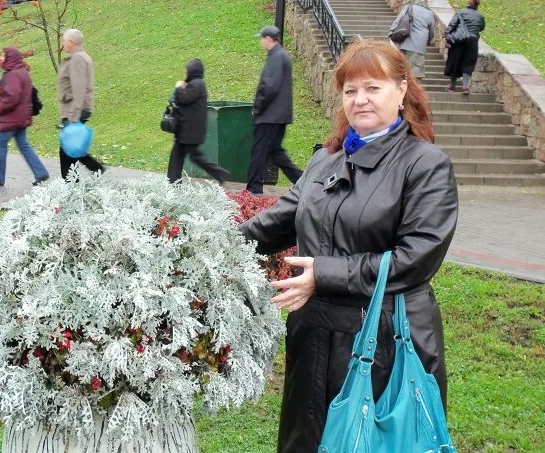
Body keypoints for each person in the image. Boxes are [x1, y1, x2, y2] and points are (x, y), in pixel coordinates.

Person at [240, 40, 458, 452]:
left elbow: (416, 259)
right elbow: (278, 221)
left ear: (401, 89)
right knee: (308, 440)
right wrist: (203, 248)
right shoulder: (327, 159)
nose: (360, 100)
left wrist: (322, 275)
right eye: (350, 90)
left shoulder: (425, 165)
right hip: (313, 339)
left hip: (385, 342)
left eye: (373, 88)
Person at [246, 25, 302, 195]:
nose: (261, 42)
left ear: (269, 39)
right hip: (277, 115)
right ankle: (301, 180)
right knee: (275, 151)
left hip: (269, 115)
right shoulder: (281, 55)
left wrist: (257, 108)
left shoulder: (276, 57)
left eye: (262, 38)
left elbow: (269, 86)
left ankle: (253, 188)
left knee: (259, 151)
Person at [0, 47, 49, 187]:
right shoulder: (22, 72)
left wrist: (0, 108)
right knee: (23, 145)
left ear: (10, 57)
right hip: (22, 117)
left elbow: (12, 96)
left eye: (3, 55)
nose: (1, 57)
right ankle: (40, 172)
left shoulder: (12, 75)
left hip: (11, 118)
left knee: (1, 145)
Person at [167, 58, 229, 184]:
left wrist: (179, 88)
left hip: (189, 131)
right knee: (179, 157)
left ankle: (219, 173)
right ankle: (173, 182)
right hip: (188, 130)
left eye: (187, 70)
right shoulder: (196, 84)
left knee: (191, 157)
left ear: (192, 71)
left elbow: (184, 98)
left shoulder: (197, 84)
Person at [57, 28, 104, 178]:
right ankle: (92, 170)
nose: (63, 43)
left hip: (74, 109)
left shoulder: (77, 59)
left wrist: (73, 116)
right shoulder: (81, 57)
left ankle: (73, 183)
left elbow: (78, 88)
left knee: (68, 149)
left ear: (71, 42)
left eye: (64, 40)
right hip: (76, 108)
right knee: (71, 147)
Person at [444, 0, 485, 94]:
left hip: (459, 39)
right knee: (469, 63)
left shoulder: (460, 12)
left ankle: (452, 87)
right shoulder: (480, 16)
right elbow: (482, 27)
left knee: (455, 61)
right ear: (477, 6)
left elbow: (452, 25)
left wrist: (446, 37)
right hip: (473, 41)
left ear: (468, 4)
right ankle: (465, 87)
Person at [389, 0, 435, 80]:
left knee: (402, 67)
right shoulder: (429, 13)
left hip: (404, 42)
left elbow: (399, 20)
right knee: (416, 71)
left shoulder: (410, 7)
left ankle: (403, 86)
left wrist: (391, 32)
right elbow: (431, 31)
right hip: (419, 45)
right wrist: (428, 42)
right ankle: (413, 89)